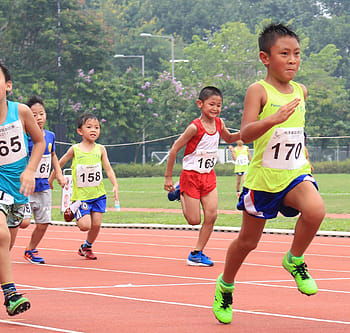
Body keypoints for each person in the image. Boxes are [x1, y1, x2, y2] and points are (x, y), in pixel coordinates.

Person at [213, 23, 326, 324]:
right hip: (263, 179)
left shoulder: (301, 91)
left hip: (294, 174)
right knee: (248, 242)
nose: (292, 60)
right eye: (284, 54)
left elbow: (296, 133)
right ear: (265, 58)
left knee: (316, 210)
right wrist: (273, 119)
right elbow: (247, 134)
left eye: (297, 54)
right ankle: (225, 285)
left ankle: (295, 259)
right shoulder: (258, 90)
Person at [164, 86, 240, 267]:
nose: (215, 108)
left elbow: (229, 138)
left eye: (219, 105)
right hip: (190, 176)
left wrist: (251, 131)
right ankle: (180, 191)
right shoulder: (194, 127)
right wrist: (168, 177)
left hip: (208, 176)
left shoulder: (219, 123)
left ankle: (197, 253)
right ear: (200, 104)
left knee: (212, 215)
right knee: (194, 220)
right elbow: (174, 149)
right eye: (211, 104)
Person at [0, 62, 45, 315]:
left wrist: (29, 170)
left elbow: (38, 142)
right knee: (1, 236)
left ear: (8, 86)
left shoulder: (22, 112)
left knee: (5, 247)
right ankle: (11, 295)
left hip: (18, 189)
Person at [51, 113, 119, 260]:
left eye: (97, 127)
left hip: (98, 194)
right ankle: (73, 209)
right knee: (85, 226)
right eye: (89, 127)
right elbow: (60, 163)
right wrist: (53, 178)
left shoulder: (101, 149)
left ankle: (86, 247)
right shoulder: (75, 149)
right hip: (82, 197)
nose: (93, 130)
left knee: (97, 224)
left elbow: (108, 169)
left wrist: (115, 185)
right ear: (80, 131)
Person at [15, 96, 66, 265]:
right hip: (25, 186)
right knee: (23, 222)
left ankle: (30, 249)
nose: (38, 118)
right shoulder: (23, 137)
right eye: (34, 115)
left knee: (44, 223)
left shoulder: (50, 136)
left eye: (41, 114)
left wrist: (58, 174)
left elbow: (52, 156)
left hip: (43, 186)